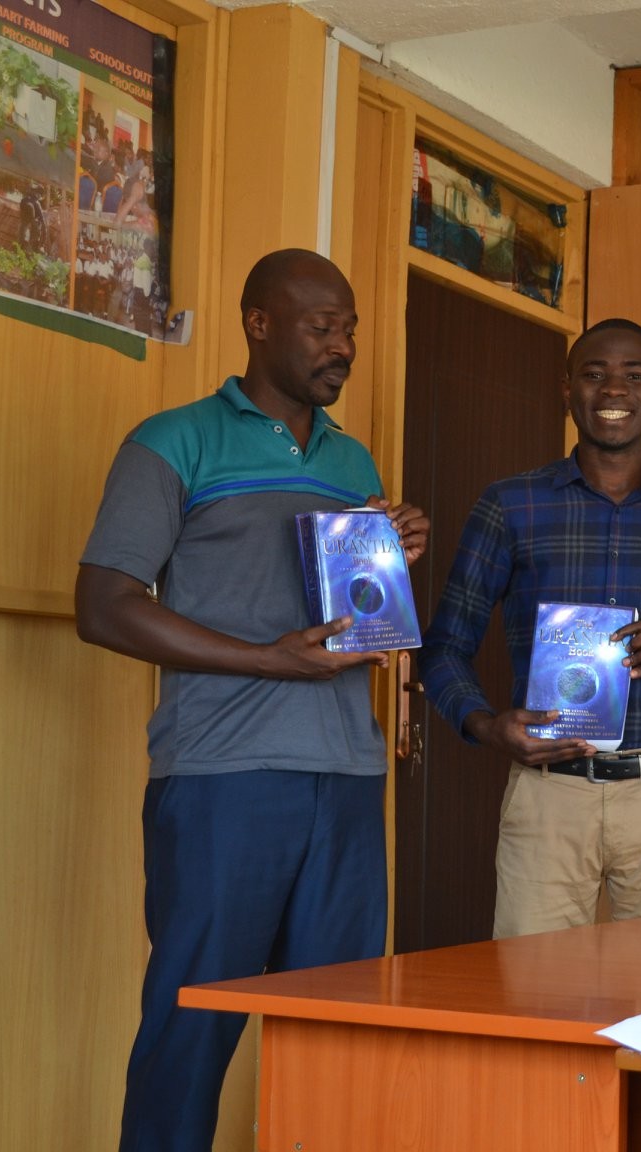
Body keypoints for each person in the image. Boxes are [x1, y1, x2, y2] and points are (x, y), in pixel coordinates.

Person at [77, 248, 429, 1152]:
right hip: (222, 781)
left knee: (337, 1038)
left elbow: (354, 616)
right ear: (259, 324)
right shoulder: (175, 441)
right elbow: (104, 606)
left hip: (346, 777)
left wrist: (391, 556)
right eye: (322, 326)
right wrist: (267, 661)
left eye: (350, 328)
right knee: (190, 1036)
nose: (342, 345)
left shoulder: (352, 459)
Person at [419, 317, 641, 937]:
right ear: (567, 390)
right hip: (547, 795)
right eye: (594, 374)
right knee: (533, 986)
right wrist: (488, 726)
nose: (613, 390)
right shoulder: (511, 505)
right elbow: (444, 648)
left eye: (635, 376)